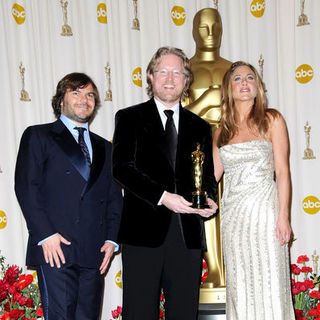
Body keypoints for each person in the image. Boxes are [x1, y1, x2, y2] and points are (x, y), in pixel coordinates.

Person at [112, 46, 218, 320]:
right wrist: (163, 196)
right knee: (139, 312)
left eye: (177, 73)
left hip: (188, 235)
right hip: (142, 233)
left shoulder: (201, 127)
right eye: (163, 72)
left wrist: (208, 200)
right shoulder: (129, 118)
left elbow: (205, 177)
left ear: (186, 80)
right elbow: (122, 169)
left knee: (183, 312)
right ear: (150, 76)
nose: (170, 78)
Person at [15, 72, 123, 320]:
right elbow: (26, 187)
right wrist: (45, 235)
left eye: (90, 95)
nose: (84, 99)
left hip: (93, 250)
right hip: (56, 247)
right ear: (61, 100)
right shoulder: (38, 135)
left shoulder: (106, 147)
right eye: (76, 92)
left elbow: (114, 198)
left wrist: (111, 240)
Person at [212, 61, 295, 319]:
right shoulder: (220, 132)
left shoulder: (271, 120)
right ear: (228, 88)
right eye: (237, 78)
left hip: (266, 215)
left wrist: (284, 217)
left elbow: (282, 171)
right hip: (234, 219)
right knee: (241, 284)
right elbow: (210, 179)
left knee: (271, 283)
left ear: (257, 86)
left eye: (250, 77)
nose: (244, 83)